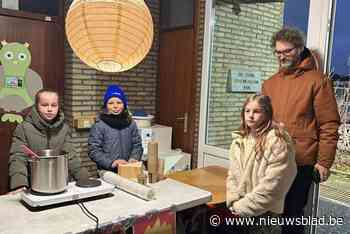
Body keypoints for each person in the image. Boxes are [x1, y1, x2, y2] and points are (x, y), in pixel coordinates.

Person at [262, 27, 340, 234]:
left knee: (293, 215)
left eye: (287, 51)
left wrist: (324, 162)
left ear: (299, 49)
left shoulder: (318, 81)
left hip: (301, 161)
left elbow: (329, 124)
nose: (282, 56)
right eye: (278, 52)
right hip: (273, 158)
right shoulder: (269, 84)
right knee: (269, 210)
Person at [226, 94, 297, 234]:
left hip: (266, 214)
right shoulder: (240, 140)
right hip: (240, 209)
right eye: (247, 111)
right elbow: (232, 174)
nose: (251, 116)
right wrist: (233, 201)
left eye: (256, 111)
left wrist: (243, 207)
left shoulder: (277, 142)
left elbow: (273, 186)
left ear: (267, 114)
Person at [8, 88, 89, 193]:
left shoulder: (64, 128)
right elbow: (18, 157)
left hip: (60, 184)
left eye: (54, 105)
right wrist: (19, 184)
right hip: (33, 185)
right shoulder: (23, 128)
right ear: (37, 106)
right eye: (45, 105)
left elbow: (71, 156)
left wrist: (85, 179)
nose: (49, 109)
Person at [88, 85, 143, 172]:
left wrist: (134, 158)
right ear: (106, 106)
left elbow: (137, 145)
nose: (115, 106)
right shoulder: (99, 125)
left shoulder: (131, 123)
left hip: (128, 169)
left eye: (119, 102)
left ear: (124, 105)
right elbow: (94, 150)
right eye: (111, 103)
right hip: (107, 172)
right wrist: (111, 163)